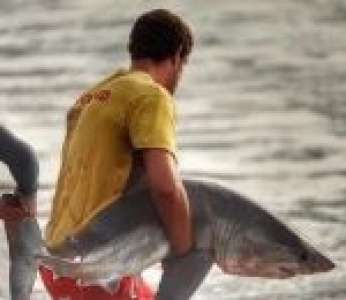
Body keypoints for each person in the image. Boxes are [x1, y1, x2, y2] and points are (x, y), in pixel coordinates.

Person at [43, 8, 194, 298]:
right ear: (176, 57)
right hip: (95, 267)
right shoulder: (151, 95)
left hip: (57, 260)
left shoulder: (92, 96)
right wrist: (183, 253)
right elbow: (166, 188)